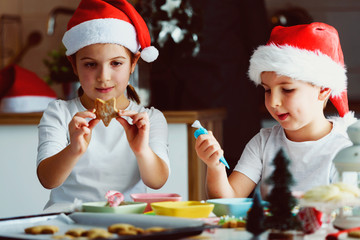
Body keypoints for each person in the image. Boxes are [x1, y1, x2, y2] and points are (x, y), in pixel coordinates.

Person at [195, 22, 357, 199]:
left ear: (323, 89)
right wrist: (215, 166)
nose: (273, 102)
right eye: (267, 90)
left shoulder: (347, 149)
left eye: (287, 90)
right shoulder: (263, 143)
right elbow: (227, 201)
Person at [37, 0, 169, 209]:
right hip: (68, 219)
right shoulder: (59, 113)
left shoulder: (151, 119)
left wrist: (141, 149)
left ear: (133, 63)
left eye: (116, 63)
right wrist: (73, 149)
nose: (103, 77)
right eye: (90, 64)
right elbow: (48, 180)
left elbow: (157, 181)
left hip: (127, 219)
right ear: (74, 65)